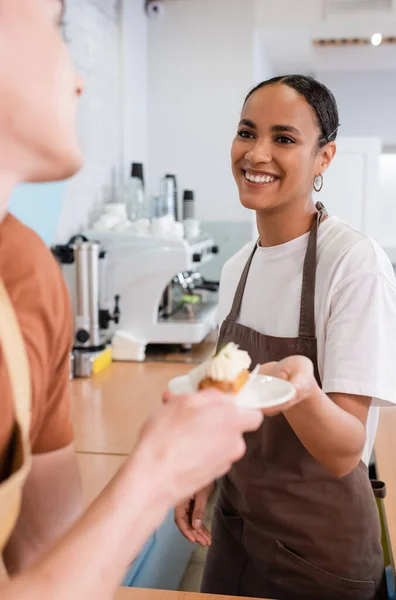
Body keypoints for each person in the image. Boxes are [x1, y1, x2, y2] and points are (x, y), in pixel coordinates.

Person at [0, 1, 264, 598]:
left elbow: (48, 555)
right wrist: (154, 475)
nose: (78, 77)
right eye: (55, 26)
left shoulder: (26, 274)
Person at [174, 75, 396, 600]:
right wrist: (203, 469)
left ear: (324, 158)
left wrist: (302, 394)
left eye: (285, 138)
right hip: (235, 533)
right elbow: (231, 397)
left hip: (318, 554)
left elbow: (345, 449)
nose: (257, 153)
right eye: (247, 132)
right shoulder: (237, 268)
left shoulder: (353, 265)